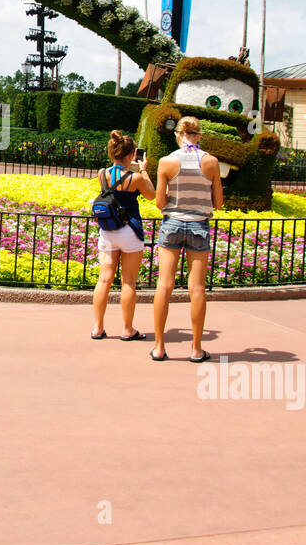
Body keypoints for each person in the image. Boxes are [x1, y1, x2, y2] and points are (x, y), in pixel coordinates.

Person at [151, 116, 223, 363]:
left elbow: (160, 202)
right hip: (199, 225)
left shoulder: (166, 162)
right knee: (197, 288)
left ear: (178, 134)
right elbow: (219, 202)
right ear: (199, 135)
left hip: (172, 223)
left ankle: (159, 347)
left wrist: (173, 194)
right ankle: (196, 348)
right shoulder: (211, 162)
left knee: (165, 285)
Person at [91, 130, 155, 341]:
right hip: (129, 231)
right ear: (132, 154)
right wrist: (143, 171)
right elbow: (151, 195)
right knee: (128, 282)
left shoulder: (102, 173)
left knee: (104, 280)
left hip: (108, 231)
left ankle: (98, 328)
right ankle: (127, 329)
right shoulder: (134, 177)